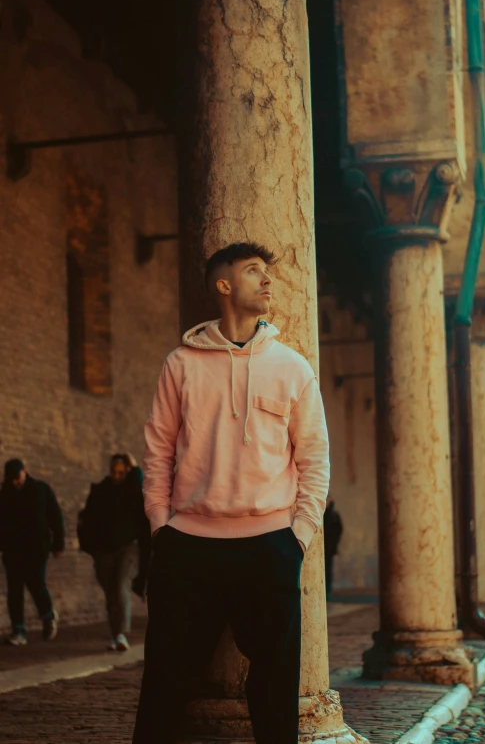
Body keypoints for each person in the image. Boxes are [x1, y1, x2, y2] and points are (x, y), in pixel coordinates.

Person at [133, 242, 330, 744]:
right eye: (252, 271)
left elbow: (314, 458)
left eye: (266, 272)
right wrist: (162, 526)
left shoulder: (293, 368)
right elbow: (156, 451)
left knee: (275, 690)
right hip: (189, 546)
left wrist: (298, 535)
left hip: (270, 546)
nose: (266, 281)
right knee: (164, 685)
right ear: (223, 286)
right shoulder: (180, 364)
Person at [77, 453, 150, 651]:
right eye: (114, 472)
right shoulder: (101, 490)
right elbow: (89, 517)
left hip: (128, 548)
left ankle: (120, 634)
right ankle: (115, 633)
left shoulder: (131, 490)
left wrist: (134, 467)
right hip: (103, 550)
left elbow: (139, 485)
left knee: (120, 585)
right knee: (111, 592)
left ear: (126, 472)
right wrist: (91, 546)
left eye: (121, 472)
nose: (117, 476)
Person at [0, 458, 64, 645]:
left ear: (24, 472)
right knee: (14, 590)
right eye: (11, 479)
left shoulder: (40, 490)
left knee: (36, 583)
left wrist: (58, 544)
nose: (15, 482)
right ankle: (18, 630)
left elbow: (55, 516)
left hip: (36, 548)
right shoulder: (5, 494)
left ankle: (47, 614)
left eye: (17, 477)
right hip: (12, 550)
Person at [323, 496, 343, 599]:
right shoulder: (324, 514)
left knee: (327, 570)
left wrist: (333, 545)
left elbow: (337, 531)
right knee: (325, 570)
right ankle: (325, 590)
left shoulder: (332, 515)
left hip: (328, 548)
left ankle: (327, 590)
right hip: (325, 547)